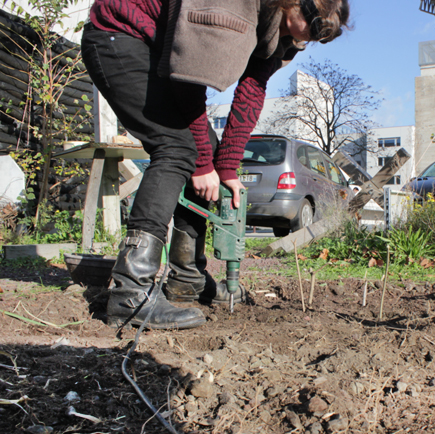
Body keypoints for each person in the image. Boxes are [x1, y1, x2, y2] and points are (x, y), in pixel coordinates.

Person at [81, 0, 350, 330]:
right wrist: (203, 165)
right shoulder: (234, 6)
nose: (311, 38)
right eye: (315, 24)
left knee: (198, 150)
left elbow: (252, 89)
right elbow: (187, 79)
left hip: (156, 51)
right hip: (119, 35)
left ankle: (186, 278)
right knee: (177, 150)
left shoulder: (275, 31)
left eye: (322, 36)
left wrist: (225, 167)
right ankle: (131, 293)